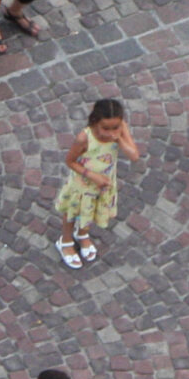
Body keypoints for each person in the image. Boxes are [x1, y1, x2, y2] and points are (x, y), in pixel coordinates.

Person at [54, 96, 140, 265]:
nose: (110, 133)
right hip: (82, 186)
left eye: (115, 127)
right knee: (72, 214)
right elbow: (70, 161)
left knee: (91, 211)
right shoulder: (84, 138)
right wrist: (93, 176)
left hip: (103, 185)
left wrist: (119, 138)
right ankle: (65, 241)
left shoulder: (120, 130)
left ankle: (82, 234)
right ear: (95, 122)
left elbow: (134, 155)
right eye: (105, 128)